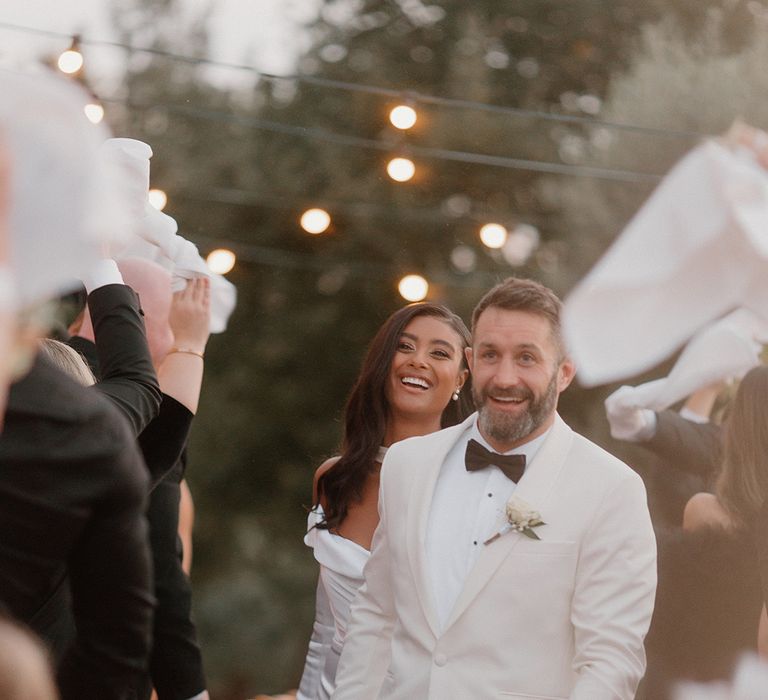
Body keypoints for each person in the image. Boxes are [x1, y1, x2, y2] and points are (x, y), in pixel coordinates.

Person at [332, 277, 657, 700]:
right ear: (470, 361)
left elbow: (610, 661)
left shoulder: (612, 489)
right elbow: (376, 616)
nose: (505, 377)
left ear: (564, 372)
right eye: (490, 355)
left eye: (526, 358)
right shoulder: (406, 464)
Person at [296, 302, 471, 700]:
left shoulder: (470, 489)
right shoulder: (333, 479)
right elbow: (324, 630)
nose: (418, 361)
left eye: (439, 353)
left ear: (461, 377)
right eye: (405, 347)